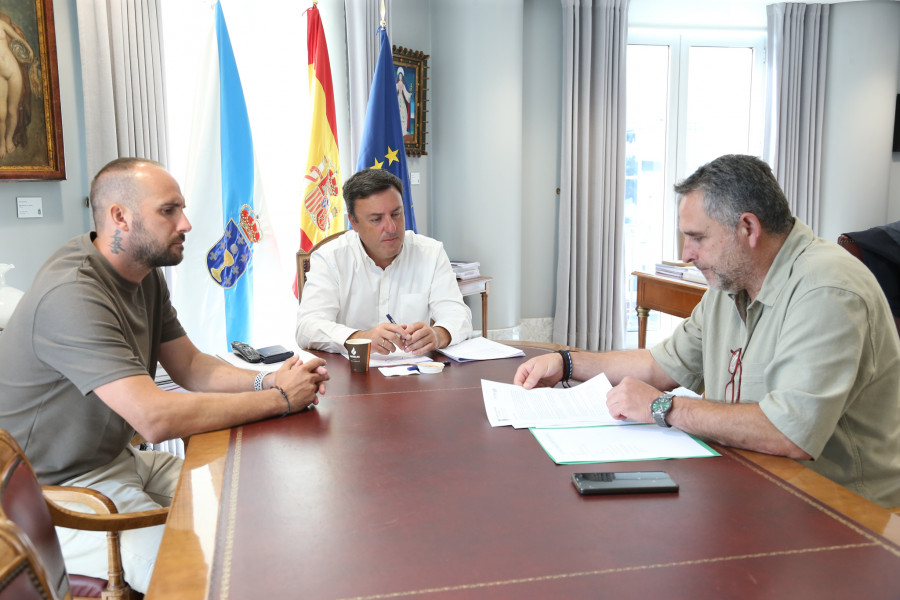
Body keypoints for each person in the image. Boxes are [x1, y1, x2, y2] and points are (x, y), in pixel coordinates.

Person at [0, 158, 329, 592]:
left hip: (117, 461)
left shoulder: (143, 274)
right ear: (120, 216)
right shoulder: (72, 295)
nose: (186, 223)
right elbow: (154, 419)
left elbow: (191, 366)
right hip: (56, 493)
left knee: (252, 517)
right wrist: (282, 400)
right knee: (198, 573)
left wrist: (268, 380)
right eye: (169, 210)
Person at [515, 154, 900, 508]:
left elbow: (789, 432)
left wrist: (660, 407)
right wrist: (567, 363)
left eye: (697, 237)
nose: (686, 254)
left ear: (748, 227)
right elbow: (660, 364)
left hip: (842, 514)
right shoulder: (733, 281)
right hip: (751, 488)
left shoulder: (826, 289)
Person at [296, 169, 472, 355]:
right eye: (376, 219)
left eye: (396, 214)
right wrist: (362, 338)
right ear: (353, 223)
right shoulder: (331, 258)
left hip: (416, 373)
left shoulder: (430, 253)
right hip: (352, 374)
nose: (391, 227)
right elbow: (307, 327)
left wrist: (438, 335)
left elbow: (458, 315)